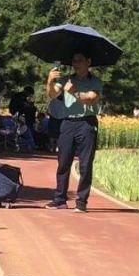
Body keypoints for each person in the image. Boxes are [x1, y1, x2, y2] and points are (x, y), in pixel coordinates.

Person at [45, 52, 104, 212]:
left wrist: (74, 93)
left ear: (88, 62)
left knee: (85, 164)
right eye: (74, 60)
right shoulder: (66, 80)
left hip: (87, 123)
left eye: (80, 60)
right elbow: (52, 94)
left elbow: (92, 99)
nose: (76, 63)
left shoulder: (95, 81)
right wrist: (50, 81)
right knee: (63, 162)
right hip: (67, 123)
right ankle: (59, 199)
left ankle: (81, 202)